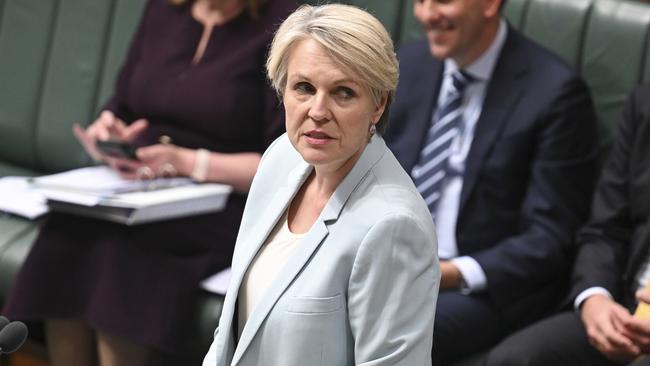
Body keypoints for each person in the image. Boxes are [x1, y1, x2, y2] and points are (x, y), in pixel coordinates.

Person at [2, 0, 295, 364]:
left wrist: (187, 161)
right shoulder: (164, 8)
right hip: (144, 184)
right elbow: (122, 103)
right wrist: (111, 131)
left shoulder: (282, 24)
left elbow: (283, 163)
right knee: (68, 229)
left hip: (226, 199)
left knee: (127, 252)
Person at [202, 4, 440, 365]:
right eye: (303, 88)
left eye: (343, 92)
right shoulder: (280, 158)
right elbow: (229, 334)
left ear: (378, 104)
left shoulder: (393, 226)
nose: (318, 110)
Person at [383, 0, 599, 363]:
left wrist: (447, 273)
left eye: (442, 0)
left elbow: (550, 235)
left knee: (385, 327)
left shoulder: (555, 93)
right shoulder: (409, 64)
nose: (425, 14)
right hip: (389, 256)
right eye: (419, 1)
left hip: (477, 286)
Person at [484, 84, 650, 366]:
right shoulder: (644, 103)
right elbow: (606, 227)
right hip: (625, 306)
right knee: (513, 359)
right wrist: (594, 298)